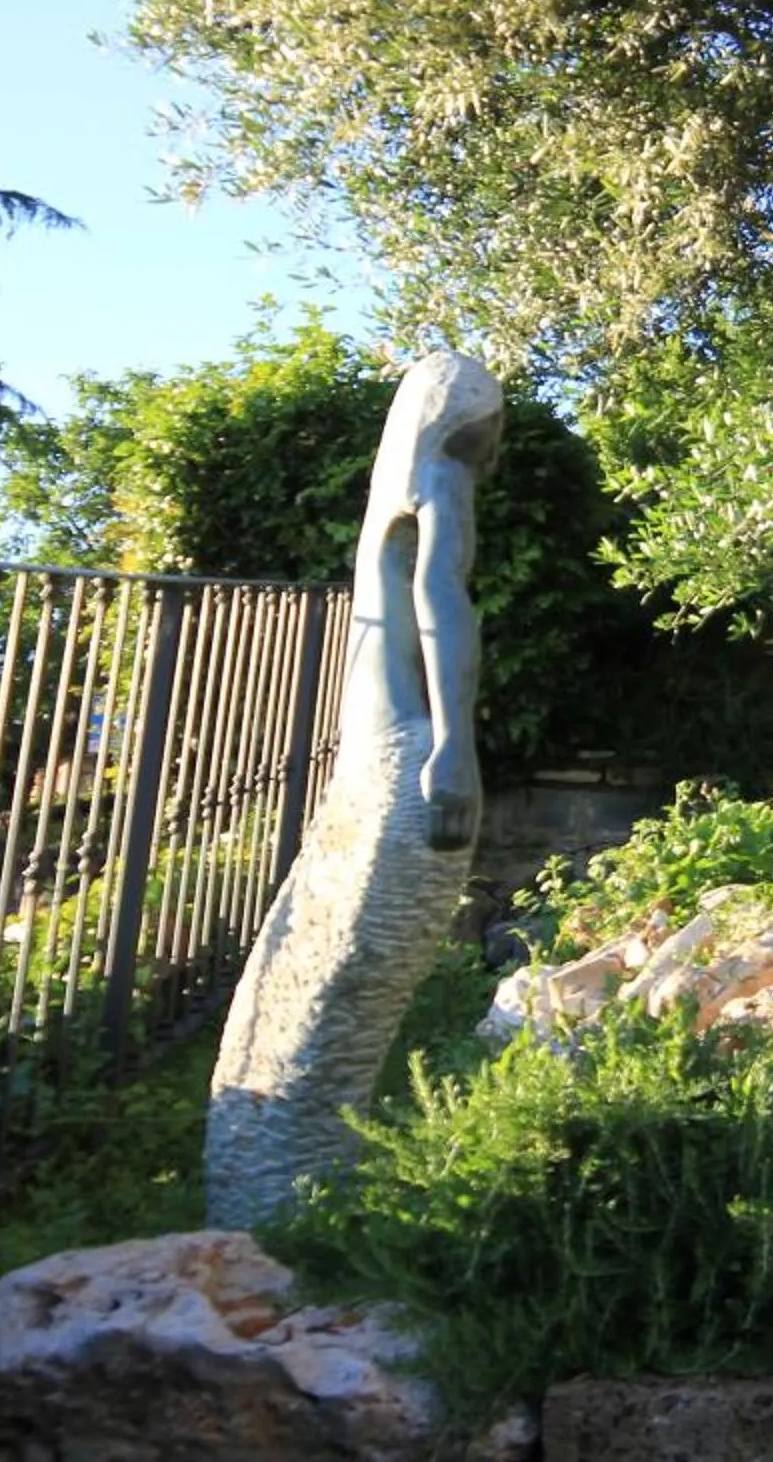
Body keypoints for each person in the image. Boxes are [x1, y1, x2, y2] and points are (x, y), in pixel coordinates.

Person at [205, 350, 502, 1230]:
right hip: (408, 748)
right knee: (349, 986)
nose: (493, 451)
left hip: (369, 748)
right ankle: (289, 1216)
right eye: (493, 431)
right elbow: (442, 605)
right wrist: (452, 748)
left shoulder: (390, 492)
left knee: (331, 986)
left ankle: (281, 1200)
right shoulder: (440, 480)